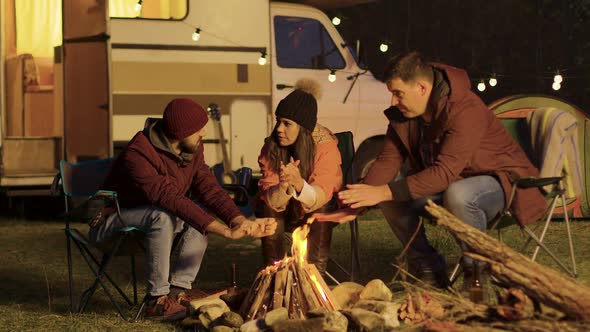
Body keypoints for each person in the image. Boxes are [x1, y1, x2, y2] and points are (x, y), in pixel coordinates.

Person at [314, 52, 546, 293]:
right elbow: (388, 161)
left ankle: (475, 272)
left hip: (500, 182)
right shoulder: (405, 115)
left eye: (398, 94)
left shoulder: (466, 109)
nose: (393, 102)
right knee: (390, 199)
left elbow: (444, 173)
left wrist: (383, 191)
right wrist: (357, 204)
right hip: (448, 183)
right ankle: (428, 268)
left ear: (422, 88)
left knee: (457, 193)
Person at [88, 98, 277, 321]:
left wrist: (238, 220)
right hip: (111, 221)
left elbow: (208, 188)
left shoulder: (191, 149)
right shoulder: (138, 153)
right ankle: (156, 301)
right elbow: (168, 197)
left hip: (152, 222)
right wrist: (225, 231)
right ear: (179, 133)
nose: (204, 133)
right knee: (164, 217)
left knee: (193, 219)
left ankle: (178, 291)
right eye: (198, 128)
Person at [256, 88, 342, 276]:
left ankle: (313, 277)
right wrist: (284, 187)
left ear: (302, 128)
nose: (279, 129)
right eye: (278, 121)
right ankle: (275, 276)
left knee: (322, 208)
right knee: (267, 207)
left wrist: (300, 184)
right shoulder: (271, 147)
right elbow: (270, 197)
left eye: (287, 124)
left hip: (318, 208)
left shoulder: (326, 148)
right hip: (285, 209)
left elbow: (321, 194)